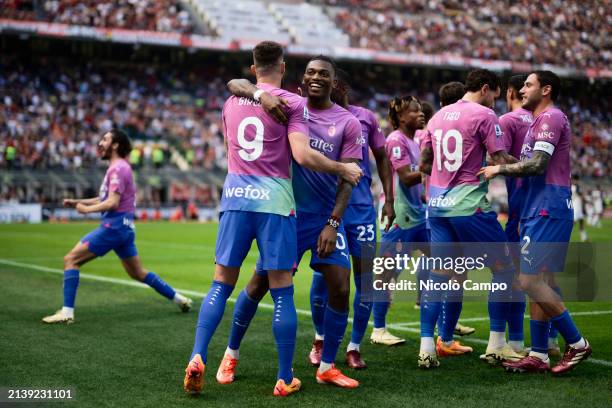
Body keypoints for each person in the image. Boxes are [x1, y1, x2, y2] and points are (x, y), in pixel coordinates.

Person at [183, 43, 362, 397]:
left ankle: (198, 355)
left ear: (253, 67)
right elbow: (301, 154)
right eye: (308, 72)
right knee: (278, 290)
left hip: (237, 195)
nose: (314, 77)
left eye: (322, 73)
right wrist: (343, 166)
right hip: (278, 203)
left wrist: (254, 92)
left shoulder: (231, 101)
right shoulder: (292, 105)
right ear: (284, 68)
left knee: (221, 283)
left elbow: (234, 93)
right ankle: (280, 375)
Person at [479, 70, 592, 374]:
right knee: (539, 281)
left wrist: (499, 170)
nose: (523, 90)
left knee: (529, 281)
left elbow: (539, 164)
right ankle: (540, 353)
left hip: (548, 208)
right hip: (536, 209)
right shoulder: (534, 124)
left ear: (546, 89)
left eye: (529, 85)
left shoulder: (551, 118)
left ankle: (577, 343)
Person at [418, 69, 519, 368]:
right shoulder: (484, 115)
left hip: (436, 208)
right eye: (494, 96)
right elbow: (500, 159)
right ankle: (497, 344)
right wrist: (530, 164)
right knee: (504, 270)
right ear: (486, 88)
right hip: (469, 208)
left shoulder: (436, 117)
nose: (495, 103)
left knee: (438, 278)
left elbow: (425, 162)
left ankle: (427, 348)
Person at [42, 129, 193, 324]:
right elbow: (105, 198)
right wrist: (77, 202)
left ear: (115, 145)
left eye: (104, 139)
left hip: (113, 227)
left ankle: (67, 312)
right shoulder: (117, 167)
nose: (100, 143)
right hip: (124, 228)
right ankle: (180, 299)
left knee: (71, 259)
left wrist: (86, 210)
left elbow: (112, 202)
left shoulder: (119, 168)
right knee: (139, 273)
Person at [307, 68, 396, 368]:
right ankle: (320, 340)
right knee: (324, 278)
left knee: (366, 281)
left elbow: (382, 157)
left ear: (339, 86)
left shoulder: (365, 118)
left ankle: (354, 346)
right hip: (327, 209)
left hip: (359, 210)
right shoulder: (312, 115)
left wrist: (389, 199)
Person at [479, 74, 533, 363]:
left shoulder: (508, 121)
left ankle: (500, 341)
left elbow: (496, 158)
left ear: (510, 92)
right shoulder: (546, 119)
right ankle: (530, 342)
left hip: (521, 213)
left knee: (508, 276)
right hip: (541, 209)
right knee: (538, 276)